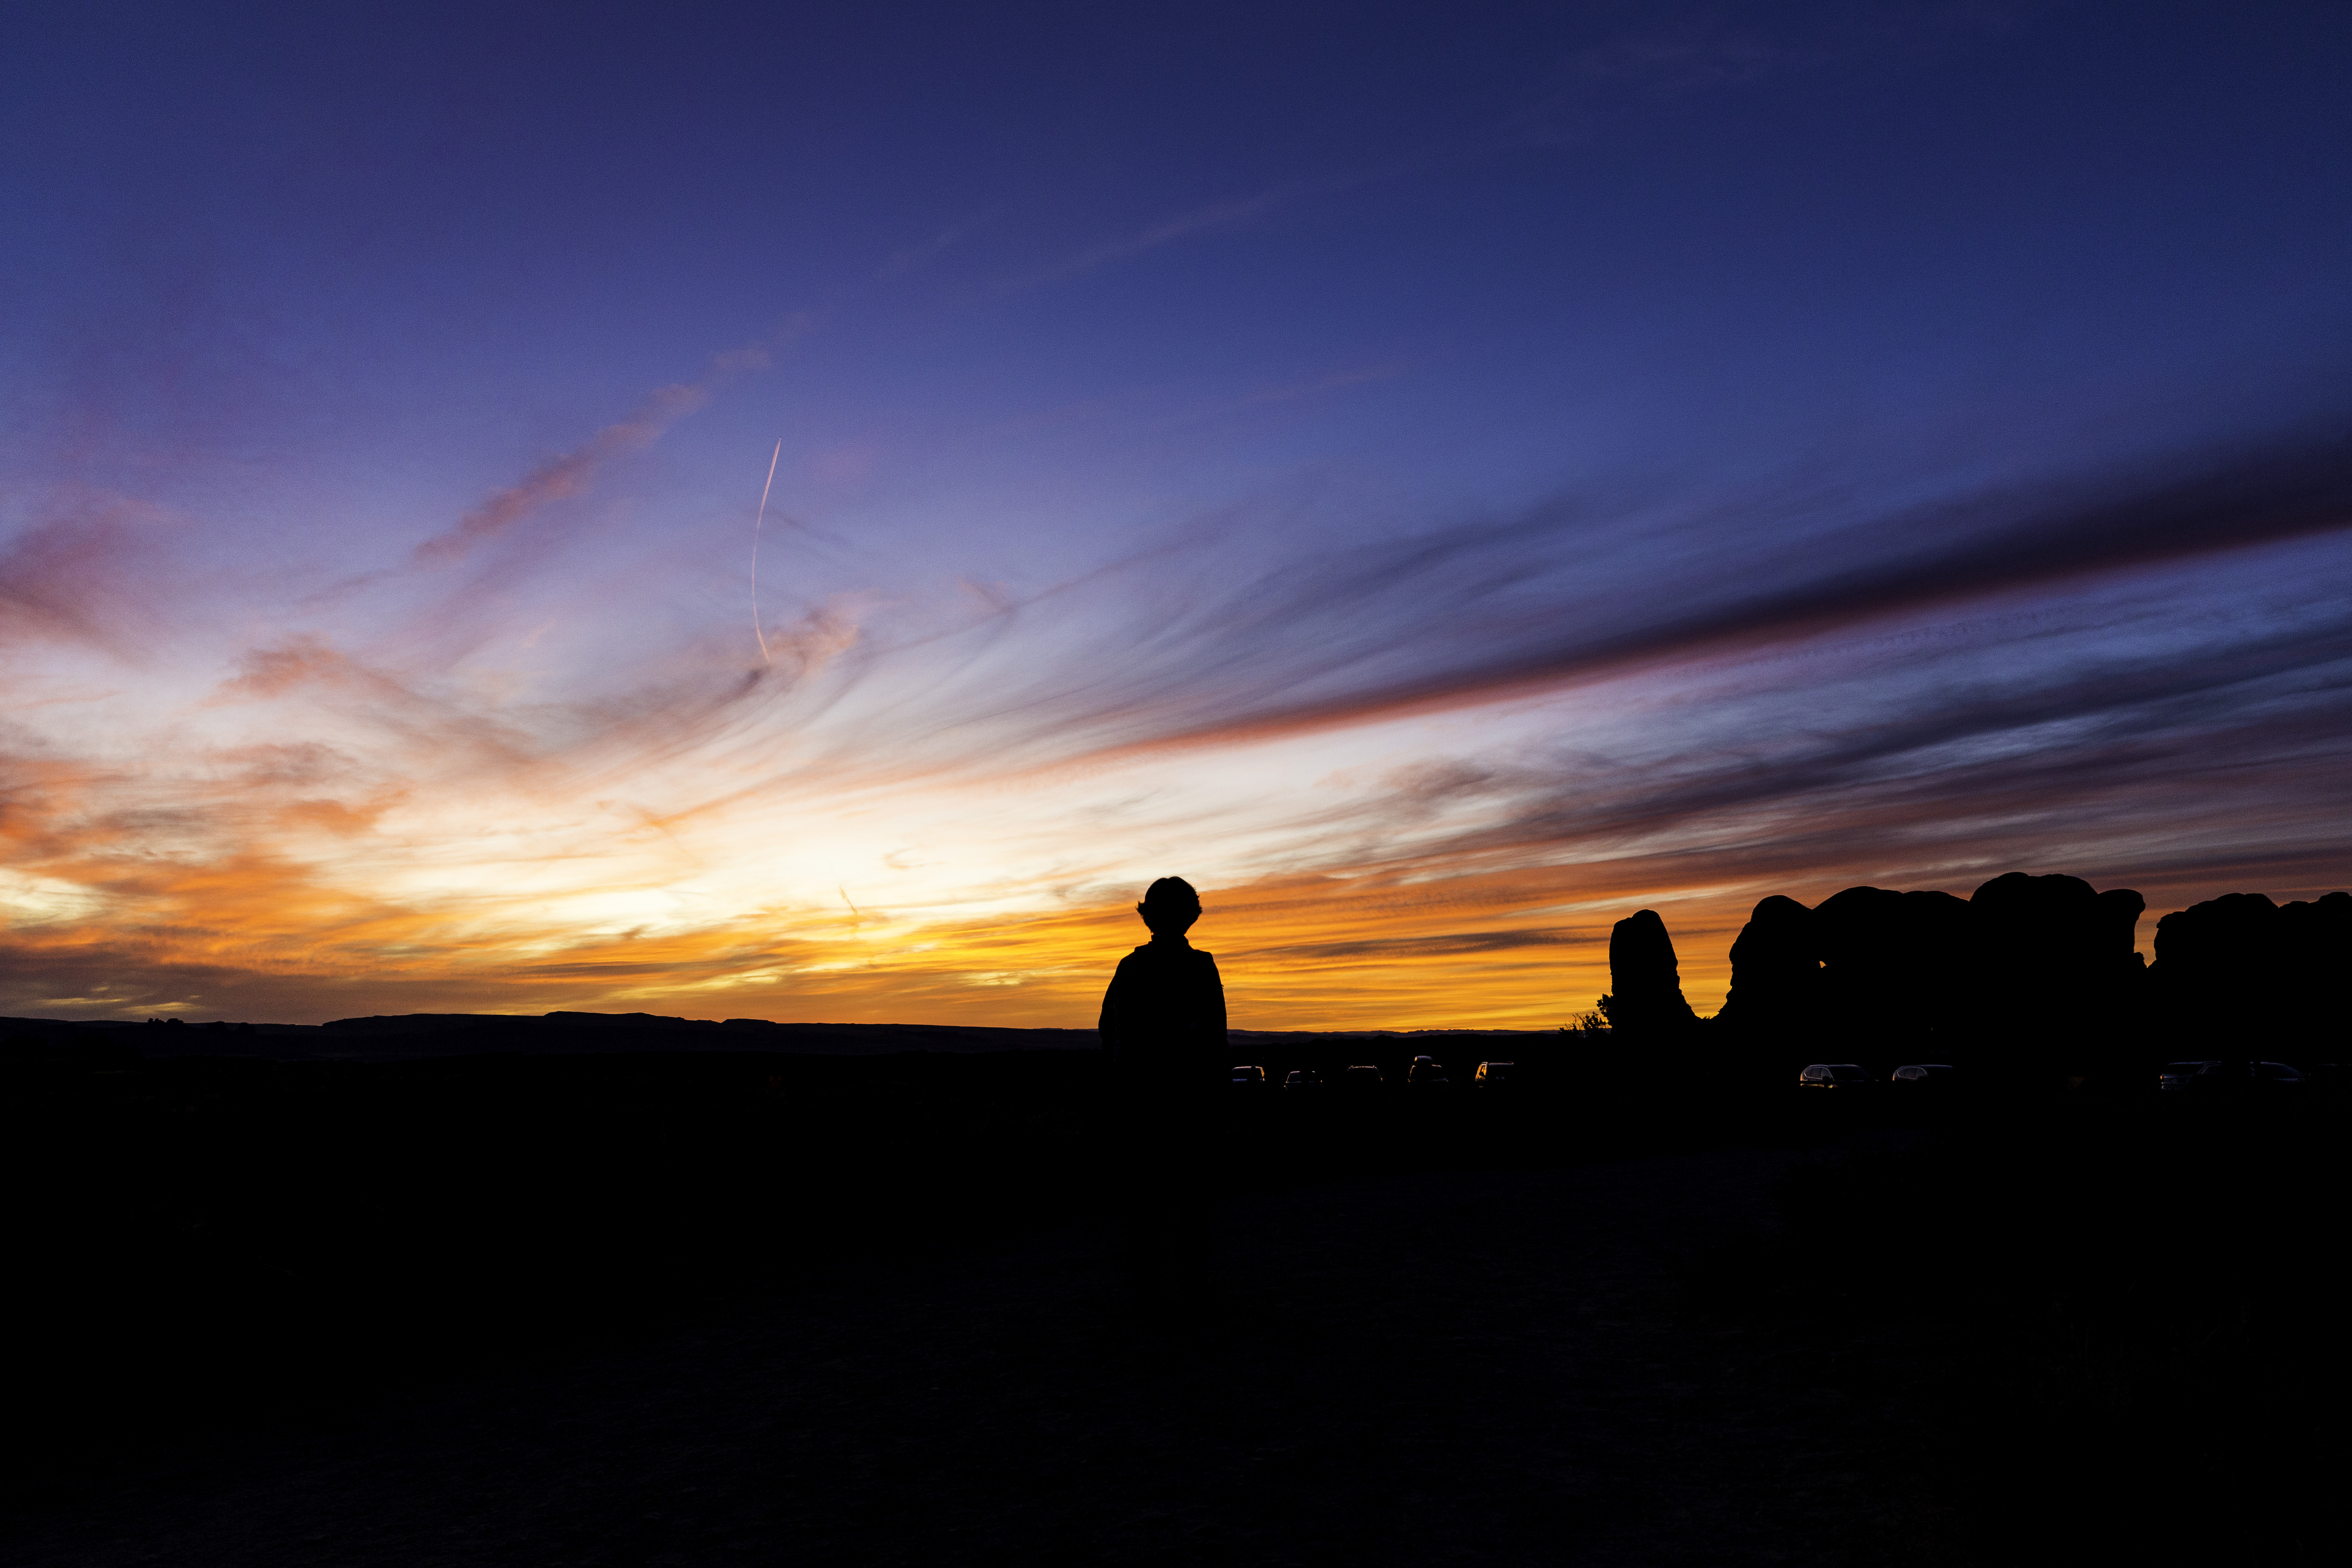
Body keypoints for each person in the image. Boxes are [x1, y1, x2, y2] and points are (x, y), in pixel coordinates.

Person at [1098, 876, 1228, 1298]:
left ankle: (1149, 1287)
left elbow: (1108, 1034)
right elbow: (1216, 1040)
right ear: (1193, 916)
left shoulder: (1131, 967)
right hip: (1186, 1100)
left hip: (1144, 1100)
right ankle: (1189, 1286)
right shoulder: (1200, 967)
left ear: (1147, 917)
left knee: (1148, 1201)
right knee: (1189, 1202)